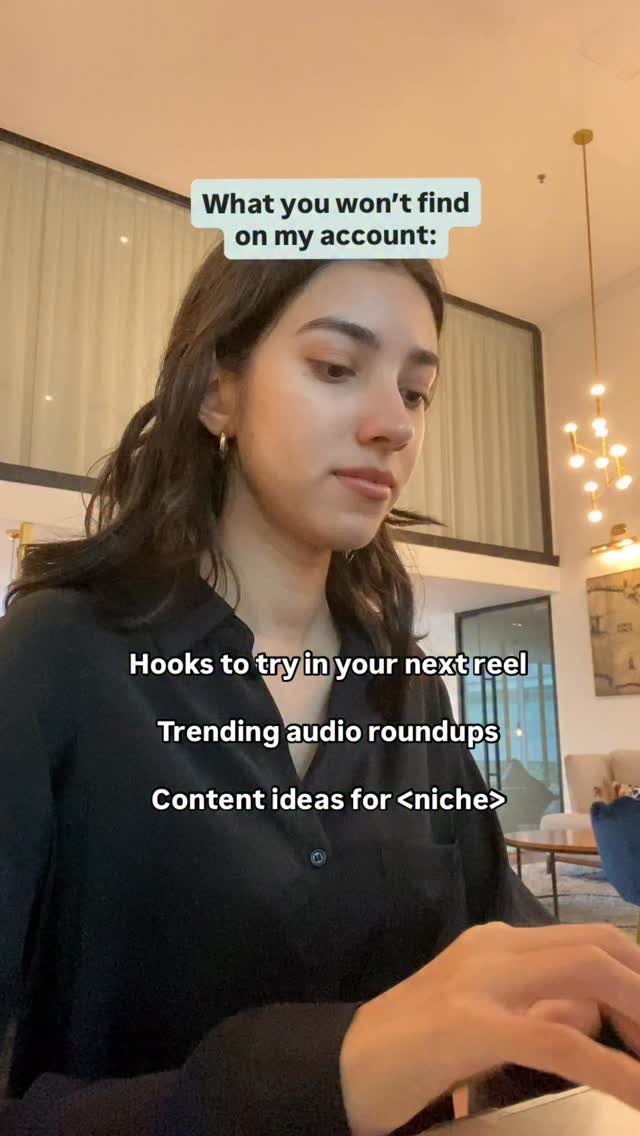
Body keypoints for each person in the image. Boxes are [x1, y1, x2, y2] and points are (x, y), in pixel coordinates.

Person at [1, 247, 639, 1136]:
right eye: (336, 368)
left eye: (415, 391)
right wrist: (318, 1075)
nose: (395, 425)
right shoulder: (54, 657)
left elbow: (510, 959)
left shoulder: (409, 696)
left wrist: (571, 1012)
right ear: (217, 392)